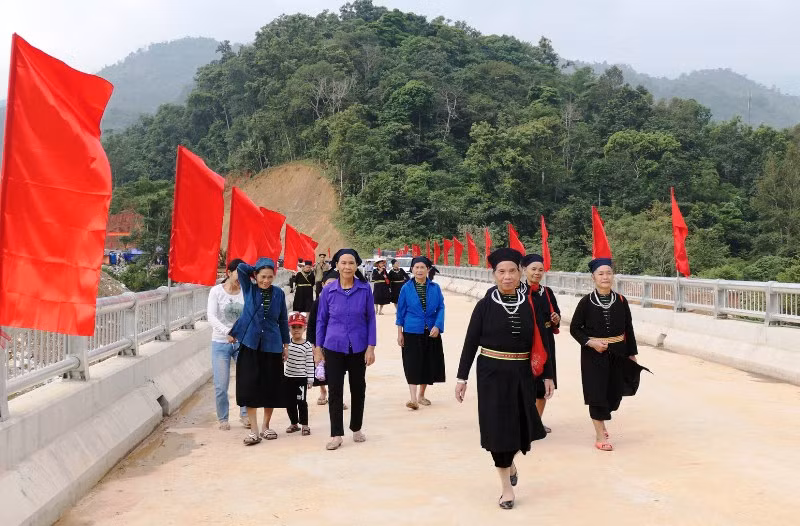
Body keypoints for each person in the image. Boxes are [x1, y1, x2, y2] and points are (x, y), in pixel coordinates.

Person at [455, 248, 554, 510]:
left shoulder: (530, 303)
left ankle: (510, 461)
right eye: (502, 272)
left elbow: (541, 342)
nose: (507, 276)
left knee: (518, 426)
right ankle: (506, 488)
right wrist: (461, 377)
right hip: (491, 374)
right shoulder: (484, 306)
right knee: (497, 429)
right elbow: (470, 342)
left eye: (512, 271)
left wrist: (547, 375)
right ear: (494, 275)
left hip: (521, 373)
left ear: (520, 272)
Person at [569, 258, 649, 452]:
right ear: (593, 277)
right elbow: (574, 328)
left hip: (618, 353)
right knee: (596, 393)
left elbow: (628, 328)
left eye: (608, 273)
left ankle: (603, 419)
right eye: (600, 274)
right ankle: (599, 434)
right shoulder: (586, 302)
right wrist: (591, 342)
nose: (605, 277)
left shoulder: (621, 301)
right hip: (593, 355)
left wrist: (632, 354)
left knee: (613, 393)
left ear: (613, 275)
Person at [314, 248, 377, 451]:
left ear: (356, 265)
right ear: (337, 266)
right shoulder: (328, 291)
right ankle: (336, 434)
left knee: (358, 389)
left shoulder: (365, 289)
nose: (347, 266)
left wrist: (371, 347)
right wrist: (318, 348)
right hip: (333, 347)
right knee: (335, 391)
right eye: (343, 263)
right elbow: (321, 320)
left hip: (358, 347)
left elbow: (371, 319)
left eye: (351, 263)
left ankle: (356, 428)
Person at [230, 257, 290, 446]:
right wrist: (255, 269)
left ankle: (266, 426)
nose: (266, 280)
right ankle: (254, 430)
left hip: (272, 345)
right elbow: (240, 267)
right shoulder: (250, 289)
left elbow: (282, 320)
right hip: (250, 344)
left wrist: (285, 345)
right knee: (249, 386)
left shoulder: (279, 294)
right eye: (263, 276)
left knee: (270, 386)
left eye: (270, 277)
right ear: (255, 276)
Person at [396, 256, 445, 410]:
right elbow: (401, 311)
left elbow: (441, 308)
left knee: (427, 362)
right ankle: (413, 399)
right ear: (412, 269)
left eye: (422, 267)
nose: (419, 270)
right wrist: (400, 332)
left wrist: (438, 325)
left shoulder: (435, 288)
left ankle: (421, 395)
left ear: (428, 269)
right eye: (416, 267)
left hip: (431, 331)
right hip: (411, 330)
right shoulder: (406, 288)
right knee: (412, 363)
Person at [521, 253, 561, 433]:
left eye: (540, 270)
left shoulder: (547, 292)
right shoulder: (517, 292)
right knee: (524, 385)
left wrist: (556, 319)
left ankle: (536, 422)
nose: (537, 273)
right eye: (533, 269)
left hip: (545, 342)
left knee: (542, 386)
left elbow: (556, 318)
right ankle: (523, 423)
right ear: (524, 270)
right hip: (525, 344)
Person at [206, 258, 248, 430]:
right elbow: (211, 316)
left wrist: (239, 333)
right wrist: (227, 332)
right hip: (220, 342)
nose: (240, 277)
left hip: (242, 343)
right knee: (221, 385)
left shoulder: (246, 291)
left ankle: (245, 415)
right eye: (238, 273)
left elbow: (249, 315)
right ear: (229, 273)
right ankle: (223, 418)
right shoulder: (216, 292)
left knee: (246, 380)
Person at [307, 268, 348, 410]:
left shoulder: (344, 301)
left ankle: (336, 398)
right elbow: (311, 324)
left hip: (337, 342)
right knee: (321, 370)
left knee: (338, 372)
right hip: (321, 342)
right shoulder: (318, 302)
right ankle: (323, 391)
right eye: (328, 283)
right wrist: (313, 344)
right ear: (323, 284)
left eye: (334, 283)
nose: (331, 286)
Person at [285, 312, 315, 436]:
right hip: (288, 378)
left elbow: (309, 363)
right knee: (289, 402)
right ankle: (294, 423)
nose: (296, 330)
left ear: (304, 328)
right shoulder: (287, 344)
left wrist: (310, 379)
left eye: (299, 327)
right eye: (293, 327)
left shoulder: (307, 346)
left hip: (301, 379)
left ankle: (305, 425)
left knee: (301, 402)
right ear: (289, 328)